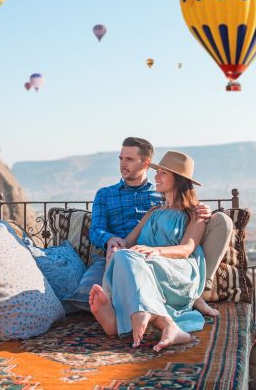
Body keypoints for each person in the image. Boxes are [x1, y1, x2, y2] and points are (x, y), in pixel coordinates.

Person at [89, 137, 231, 318]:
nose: (122, 164)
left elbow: (187, 243)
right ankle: (117, 311)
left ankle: (196, 292)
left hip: (160, 256)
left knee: (222, 221)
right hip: (126, 253)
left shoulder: (160, 196)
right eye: (120, 158)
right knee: (114, 263)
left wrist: (202, 212)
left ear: (146, 163)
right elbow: (96, 230)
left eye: (129, 159)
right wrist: (111, 240)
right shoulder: (106, 195)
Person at [89, 150, 212, 352]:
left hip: (176, 271)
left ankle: (125, 317)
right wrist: (115, 247)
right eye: (158, 172)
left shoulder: (194, 212)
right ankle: (147, 320)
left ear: (179, 179)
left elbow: (186, 249)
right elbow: (128, 242)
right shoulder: (153, 212)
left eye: (163, 173)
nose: (156, 176)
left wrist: (155, 251)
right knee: (121, 254)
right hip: (145, 264)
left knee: (131, 258)